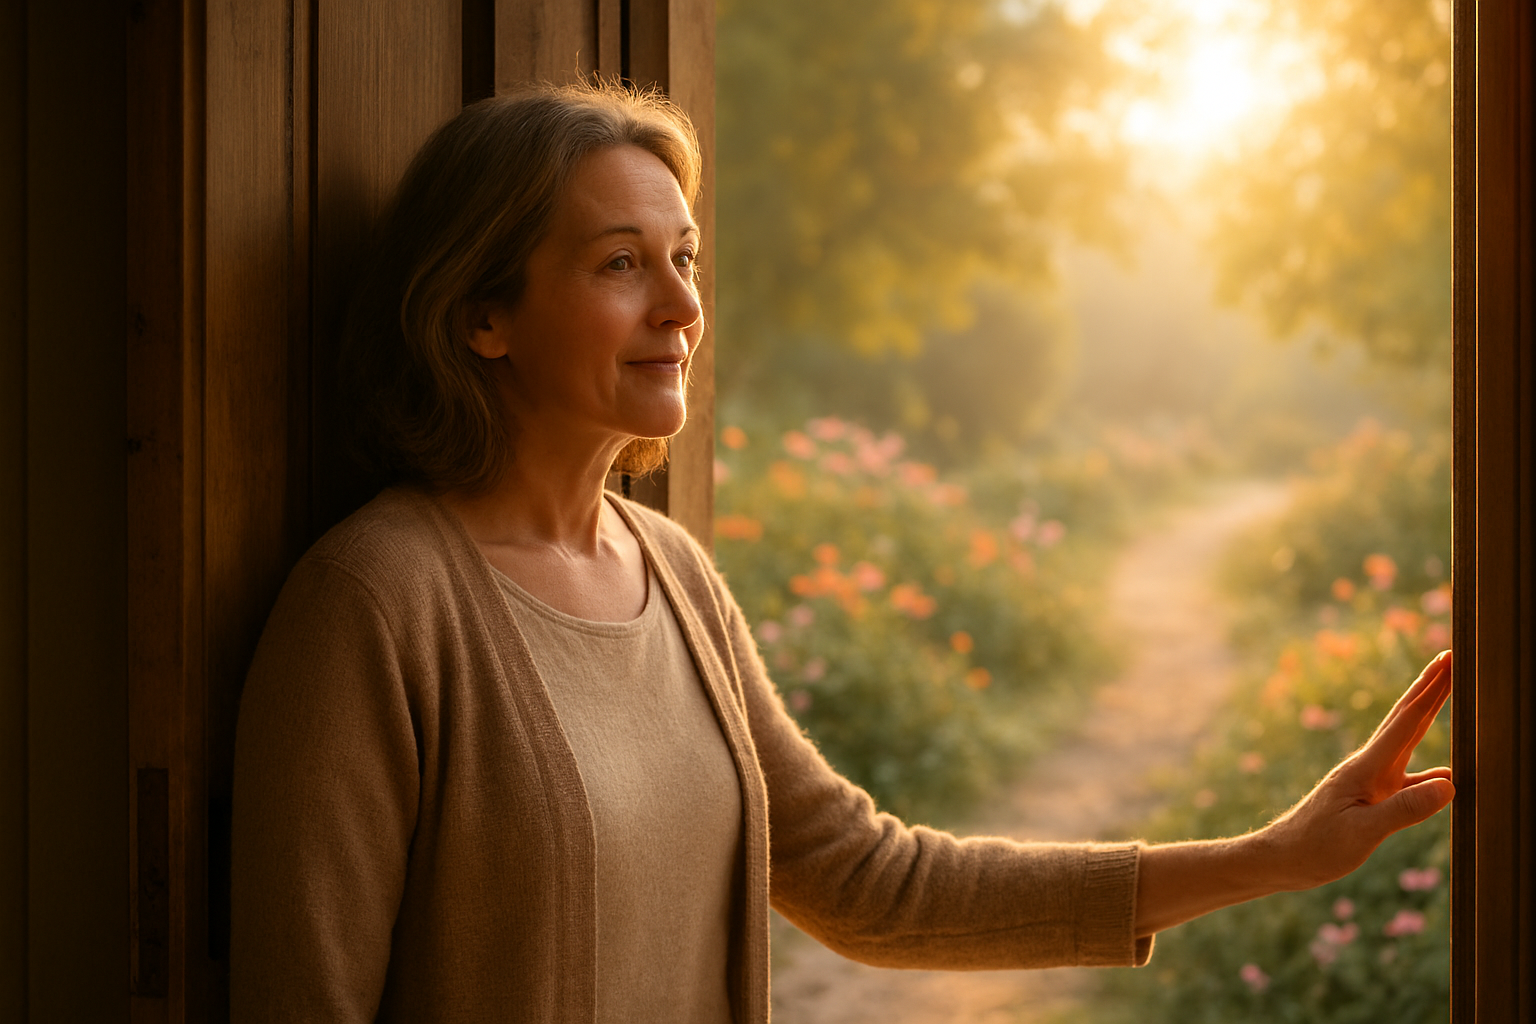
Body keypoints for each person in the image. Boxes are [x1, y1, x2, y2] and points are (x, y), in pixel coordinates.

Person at [229, 82, 1455, 1024]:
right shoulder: (374, 603)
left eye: (685, 259)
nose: (681, 305)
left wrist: (1269, 858)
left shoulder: (675, 574)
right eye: (619, 264)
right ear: (479, 315)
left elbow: (872, 881)